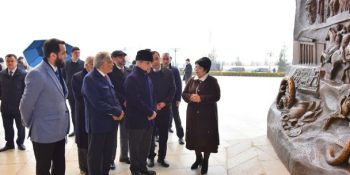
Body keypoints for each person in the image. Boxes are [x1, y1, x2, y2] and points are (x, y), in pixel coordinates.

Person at [20, 38, 70, 175]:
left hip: (59, 131)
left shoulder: (58, 71)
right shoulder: (37, 74)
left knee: (60, 167)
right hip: (43, 133)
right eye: (64, 53)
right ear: (53, 55)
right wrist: (33, 124)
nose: (66, 56)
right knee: (43, 169)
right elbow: (25, 105)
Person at [82, 51, 124, 175]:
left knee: (107, 154)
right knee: (95, 156)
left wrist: (119, 110)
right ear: (102, 63)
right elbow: (97, 103)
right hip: (98, 125)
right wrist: (116, 111)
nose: (112, 64)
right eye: (110, 62)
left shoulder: (106, 76)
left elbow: (113, 96)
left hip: (111, 123)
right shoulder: (90, 79)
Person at [182, 57, 221, 175]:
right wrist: (190, 97)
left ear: (205, 69)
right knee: (195, 137)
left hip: (207, 116)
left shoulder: (212, 81)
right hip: (193, 115)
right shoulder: (191, 80)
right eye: (195, 67)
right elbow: (184, 93)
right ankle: (198, 158)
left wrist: (201, 98)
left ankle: (205, 161)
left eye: (198, 67)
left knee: (206, 138)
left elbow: (217, 96)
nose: (196, 69)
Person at [124, 49, 157, 175]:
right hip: (137, 120)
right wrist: (150, 112)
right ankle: (135, 170)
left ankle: (143, 168)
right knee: (135, 147)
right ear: (140, 62)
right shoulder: (132, 78)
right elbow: (135, 100)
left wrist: (153, 111)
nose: (150, 66)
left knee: (145, 147)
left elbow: (152, 96)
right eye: (148, 63)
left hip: (149, 119)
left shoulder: (146, 76)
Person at [147, 51, 175, 168]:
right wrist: (153, 105)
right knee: (150, 136)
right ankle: (151, 157)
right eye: (152, 59)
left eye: (157, 58)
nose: (155, 61)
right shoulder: (147, 73)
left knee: (163, 136)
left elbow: (173, 89)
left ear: (160, 59)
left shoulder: (168, 72)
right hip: (151, 110)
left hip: (164, 109)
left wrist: (164, 103)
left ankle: (161, 158)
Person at [108, 50, 131, 170]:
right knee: (113, 135)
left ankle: (124, 155)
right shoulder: (110, 71)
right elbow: (111, 90)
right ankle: (110, 159)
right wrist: (123, 100)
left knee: (125, 133)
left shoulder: (128, 70)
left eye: (123, 57)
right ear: (113, 58)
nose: (123, 59)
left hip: (127, 108)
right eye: (120, 57)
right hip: (115, 107)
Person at [71, 56, 94, 175]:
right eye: (91, 64)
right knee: (82, 142)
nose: (93, 67)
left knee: (92, 140)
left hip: (95, 115)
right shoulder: (77, 77)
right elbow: (79, 97)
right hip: (82, 113)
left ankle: (92, 166)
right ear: (86, 65)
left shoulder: (96, 76)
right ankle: (83, 167)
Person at [0, 54, 26, 152]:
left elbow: (26, 90)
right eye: (8, 61)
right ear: (6, 62)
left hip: (19, 106)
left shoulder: (23, 74)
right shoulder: (1, 74)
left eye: (12, 61)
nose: (10, 63)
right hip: (5, 106)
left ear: (16, 62)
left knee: (21, 126)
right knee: (7, 127)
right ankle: (9, 144)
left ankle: (20, 143)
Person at [162, 53, 185, 145]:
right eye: (164, 59)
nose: (166, 61)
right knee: (160, 118)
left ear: (170, 59)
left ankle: (181, 136)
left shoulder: (175, 70)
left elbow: (179, 85)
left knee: (176, 117)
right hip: (162, 99)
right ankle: (157, 135)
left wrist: (178, 99)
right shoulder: (159, 69)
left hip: (173, 98)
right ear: (161, 59)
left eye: (167, 59)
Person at [62, 46, 84, 137]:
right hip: (70, 91)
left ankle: (82, 130)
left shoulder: (83, 63)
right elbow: (63, 76)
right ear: (72, 54)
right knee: (73, 111)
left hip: (81, 91)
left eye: (79, 52)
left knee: (82, 110)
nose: (77, 54)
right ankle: (75, 130)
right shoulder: (66, 64)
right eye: (76, 53)